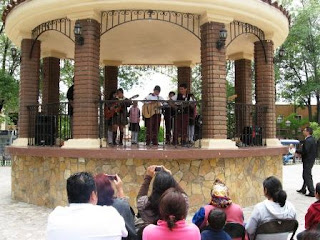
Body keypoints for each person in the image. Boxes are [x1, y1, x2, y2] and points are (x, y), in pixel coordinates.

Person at [47, 172, 128, 240]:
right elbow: (125, 233)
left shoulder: (55, 216)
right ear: (93, 195)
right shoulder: (111, 214)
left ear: (68, 196)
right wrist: (120, 190)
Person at [246, 176, 296, 240]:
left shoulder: (259, 208)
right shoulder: (291, 207)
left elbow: (249, 230)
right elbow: (292, 229)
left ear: (265, 190)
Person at [94, 173, 137, 240]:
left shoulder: (91, 207)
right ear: (109, 188)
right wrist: (120, 189)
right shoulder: (119, 206)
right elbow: (131, 233)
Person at [296, 127, 317, 197]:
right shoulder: (312, 139)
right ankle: (303, 189)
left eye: (304, 130)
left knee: (307, 175)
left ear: (308, 132)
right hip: (310, 159)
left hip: (308, 160)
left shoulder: (308, 140)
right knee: (306, 174)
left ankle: (312, 191)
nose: (303, 131)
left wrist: (296, 151)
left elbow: (305, 151)